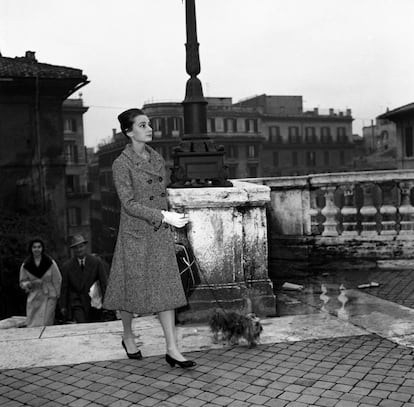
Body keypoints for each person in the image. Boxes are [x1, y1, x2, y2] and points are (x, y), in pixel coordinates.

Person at [103, 108, 195, 368]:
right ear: (129, 131)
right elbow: (129, 203)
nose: (149, 128)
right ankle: (128, 335)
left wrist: (171, 214)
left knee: (166, 288)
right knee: (130, 289)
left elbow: (161, 193)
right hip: (135, 234)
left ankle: (172, 348)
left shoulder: (157, 159)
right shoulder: (121, 164)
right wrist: (163, 216)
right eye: (142, 125)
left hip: (158, 233)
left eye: (149, 124)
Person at [60, 235, 108, 323]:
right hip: (77, 302)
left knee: (95, 326)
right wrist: (63, 306)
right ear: (73, 250)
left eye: (81, 246)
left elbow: (103, 283)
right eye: (76, 248)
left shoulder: (96, 262)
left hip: (94, 301)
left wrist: (107, 302)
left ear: (85, 246)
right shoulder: (67, 266)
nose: (79, 250)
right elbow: (64, 287)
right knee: (82, 324)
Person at [19, 238, 62, 327]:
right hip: (34, 295)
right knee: (33, 323)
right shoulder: (26, 265)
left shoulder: (50, 262)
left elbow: (57, 279)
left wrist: (57, 294)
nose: (37, 249)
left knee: (46, 322)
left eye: (39, 247)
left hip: (50, 294)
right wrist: (29, 284)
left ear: (42, 248)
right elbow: (22, 281)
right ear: (31, 249)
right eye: (34, 247)